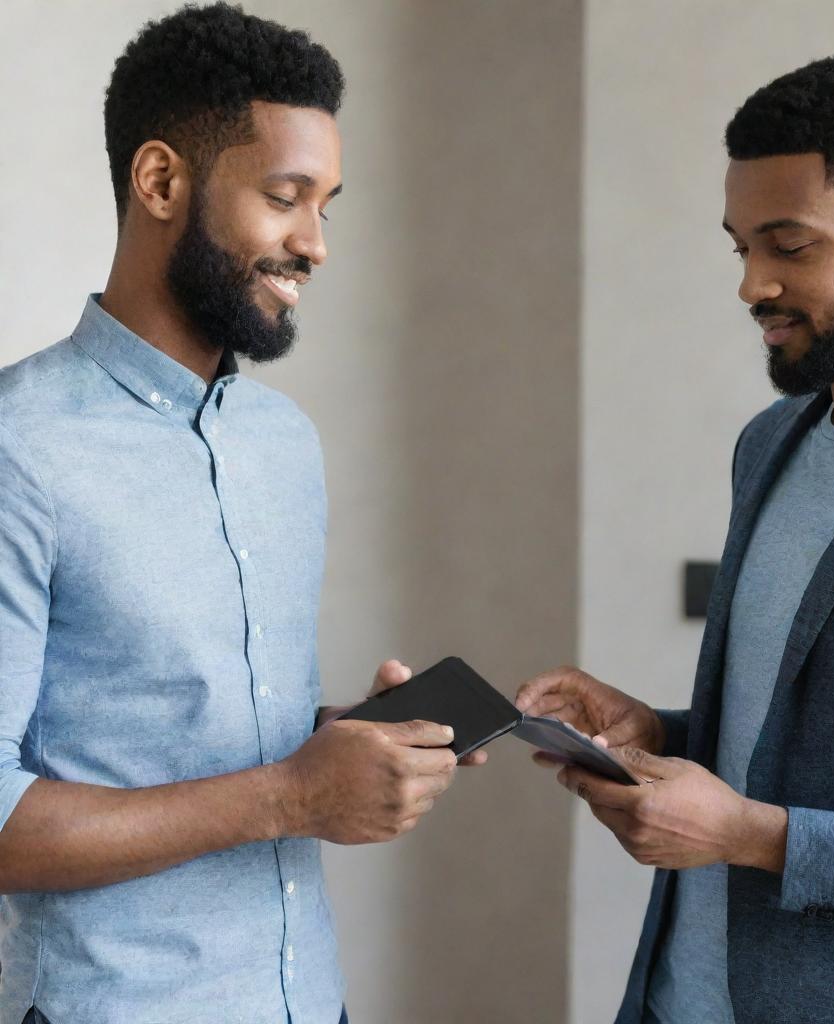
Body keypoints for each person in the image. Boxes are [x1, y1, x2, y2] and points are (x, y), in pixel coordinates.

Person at [517, 53, 834, 1023]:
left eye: (788, 247)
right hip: (675, 997)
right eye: (740, 246)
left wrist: (751, 835)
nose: (752, 284)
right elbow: (811, 733)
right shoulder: (768, 446)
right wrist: (656, 733)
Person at [0, 6, 481, 1023]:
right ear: (162, 181)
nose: (315, 244)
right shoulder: (18, 450)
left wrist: (345, 744)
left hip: (308, 998)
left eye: (327, 204)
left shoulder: (283, 443)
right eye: (284, 197)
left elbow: (199, 728)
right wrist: (296, 796)